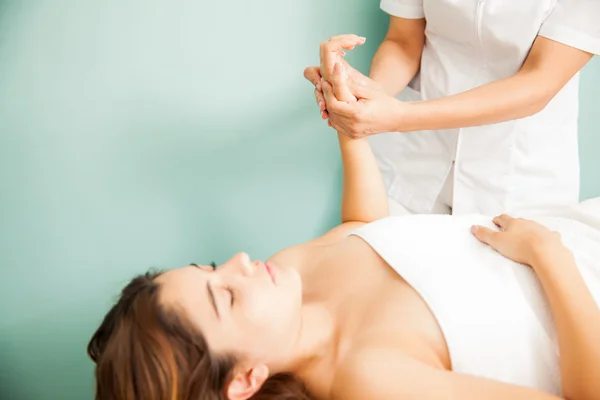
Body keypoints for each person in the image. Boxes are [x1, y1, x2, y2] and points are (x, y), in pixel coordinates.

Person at [87, 62, 600, 400]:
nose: (242, 264)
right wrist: (546, 255)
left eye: (214, 268)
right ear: (245, 379)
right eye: (226, 298)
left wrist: (347, 124)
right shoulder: (369, 381)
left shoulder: (287, 273)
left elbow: (365, 231)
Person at [305, 2, 600, 216]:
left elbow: (539, 82)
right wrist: (365, 95)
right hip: (413, 163)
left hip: (516, 179)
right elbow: (403, 41)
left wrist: (396, 116)